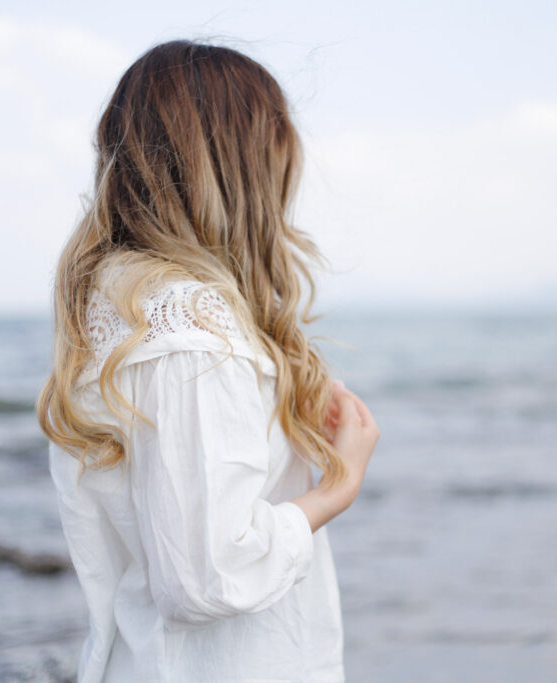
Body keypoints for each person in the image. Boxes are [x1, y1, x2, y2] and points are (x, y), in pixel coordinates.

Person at [36, 39, 379, 682]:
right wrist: (339, 486)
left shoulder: (127, 306)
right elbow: (207, 578)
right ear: (244, 168)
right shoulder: (191, 325)